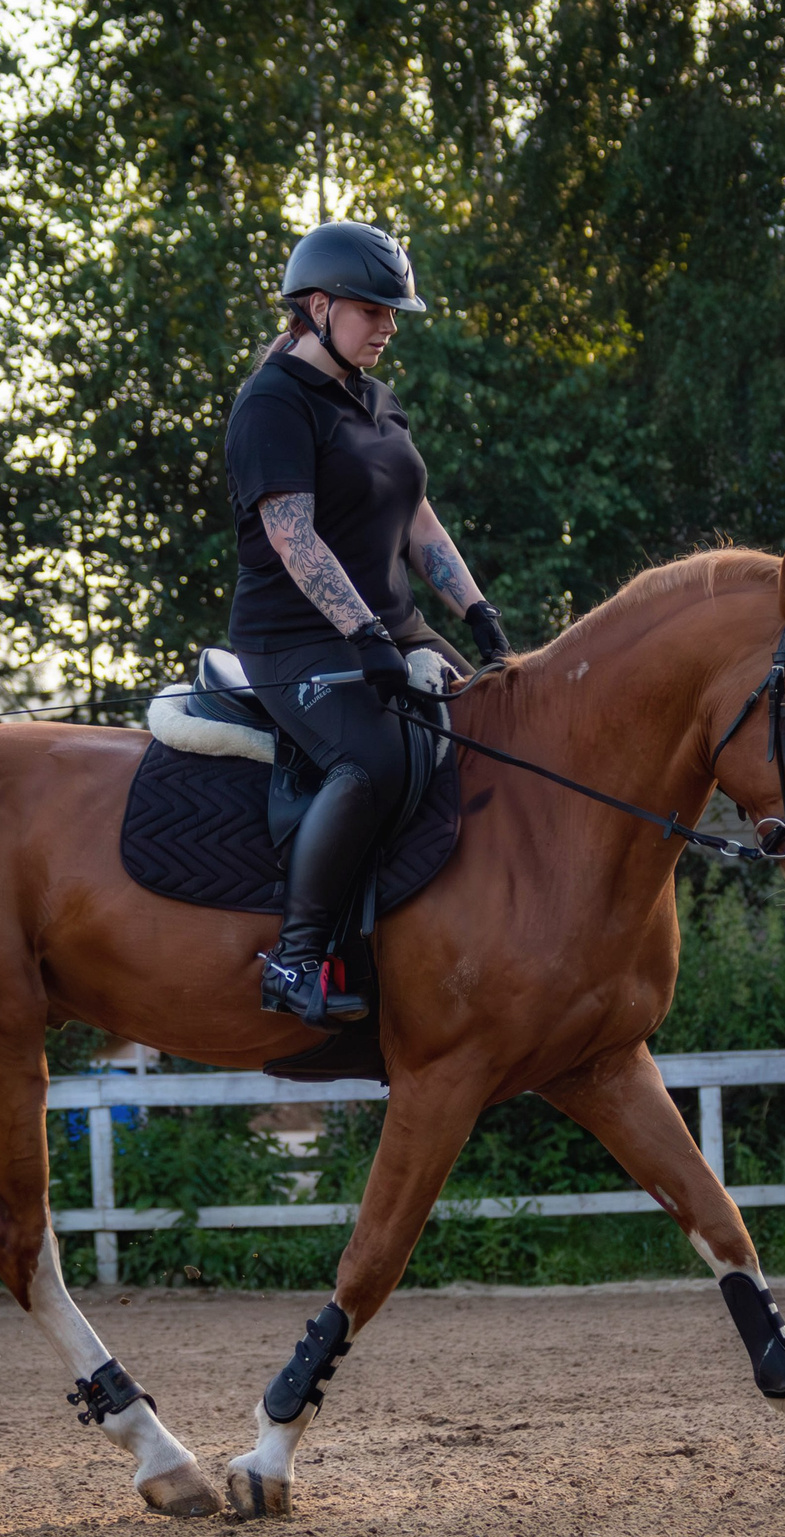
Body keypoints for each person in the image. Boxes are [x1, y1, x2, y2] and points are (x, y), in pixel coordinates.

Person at [224, 220, 513, 1029]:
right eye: (374, 310)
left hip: (389, 626)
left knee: (492, 724)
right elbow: (293, 536)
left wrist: (479, 612)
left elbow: (417, 516)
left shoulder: (375, 399)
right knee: (374, 760)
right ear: (316, 307)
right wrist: (371, 641)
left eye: (394, 312)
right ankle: (297, 957)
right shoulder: (272, 402)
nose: (389, 325)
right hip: (294, 640)